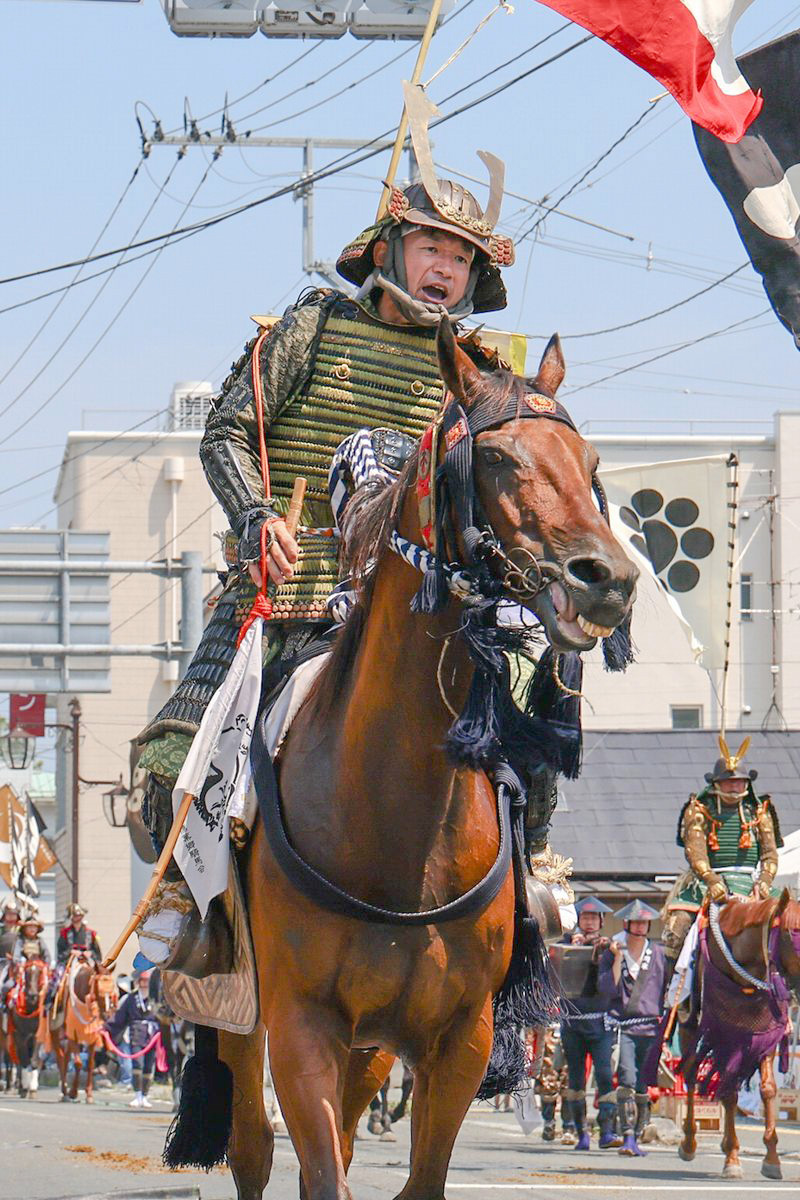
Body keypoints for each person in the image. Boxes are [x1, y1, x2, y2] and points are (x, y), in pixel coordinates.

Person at [133, 102, 516, 973]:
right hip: (291, 589)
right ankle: (198, 917)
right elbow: (228, 430)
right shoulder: (312, 324)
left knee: (527, 727)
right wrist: (256, 517)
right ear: (389, 249)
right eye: (433, 249)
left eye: (461, 259)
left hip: (428, 603)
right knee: (183, 755)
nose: (446, 269)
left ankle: (515, 929)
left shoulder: (483, 372)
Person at [661, 737, 781, 971]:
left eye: (739, 782)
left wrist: (765, 881)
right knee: (678, 927)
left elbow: (769, 854)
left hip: (752, 881)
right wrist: (712, 881)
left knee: (791, 919)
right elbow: (695, 853)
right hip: (707, 880)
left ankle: (791, 989)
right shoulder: (698, 810)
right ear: (717, 783)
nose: (734, 787)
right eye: (728, 782)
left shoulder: (759, 811)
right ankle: (672, 992)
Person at [597, 899, 667, 1157]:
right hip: (624, 1027)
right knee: (626, 1078)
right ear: (626, 924)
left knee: (643, 1084)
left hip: (650, 1027)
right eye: (635, 921)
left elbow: (670, 990)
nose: (639, 926)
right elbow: (608, 989)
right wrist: (616, 958)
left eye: (643, 922)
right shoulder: (613, 952)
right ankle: (627, 1135)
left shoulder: (659, 954)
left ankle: (637, 1135)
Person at [558, 897, 621, 1151]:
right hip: (572, 1023)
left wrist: (615, 957)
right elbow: (554, 973)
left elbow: (612, 988)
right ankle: (580, 1132)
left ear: (601, 922)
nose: (589, 922)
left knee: (605, 1075)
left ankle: (606, 1131)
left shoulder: (608, 948)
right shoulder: (565, 944)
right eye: (585, 918)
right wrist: (571, 950)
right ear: (579, 921)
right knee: (575, 1079)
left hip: (599, 1022)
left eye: (594, 918)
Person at [105, 968, 160, 1108]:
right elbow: (119, 1018)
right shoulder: (131, 998)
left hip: (153, 1036)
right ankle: (137, 1095)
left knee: (148, 1066)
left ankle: (145, 1095)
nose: (144, 984)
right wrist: (106, 1028)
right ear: (138, 982)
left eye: (147, 981)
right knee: (138, 1065)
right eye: (142, 981)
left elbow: (163, 1017)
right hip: (136, 1034)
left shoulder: (157, 998)